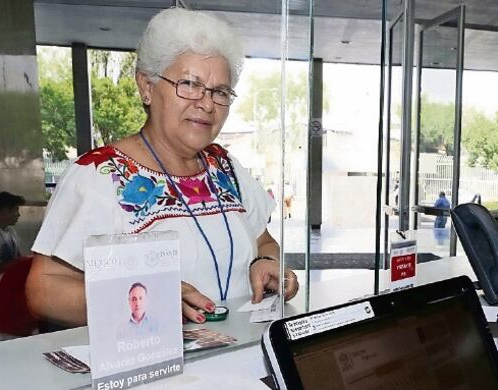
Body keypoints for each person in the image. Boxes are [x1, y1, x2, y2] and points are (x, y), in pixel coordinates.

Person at [27, 7, 298, 327]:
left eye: (220, 92)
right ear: (146, 86)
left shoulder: (225, 168)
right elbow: (44, 290)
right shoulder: (99, 175)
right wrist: (149, 298)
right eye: (189, 84)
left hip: (240, 359)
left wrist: (267, 263)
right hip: (153, 367)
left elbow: (265, 242)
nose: (207, 103)